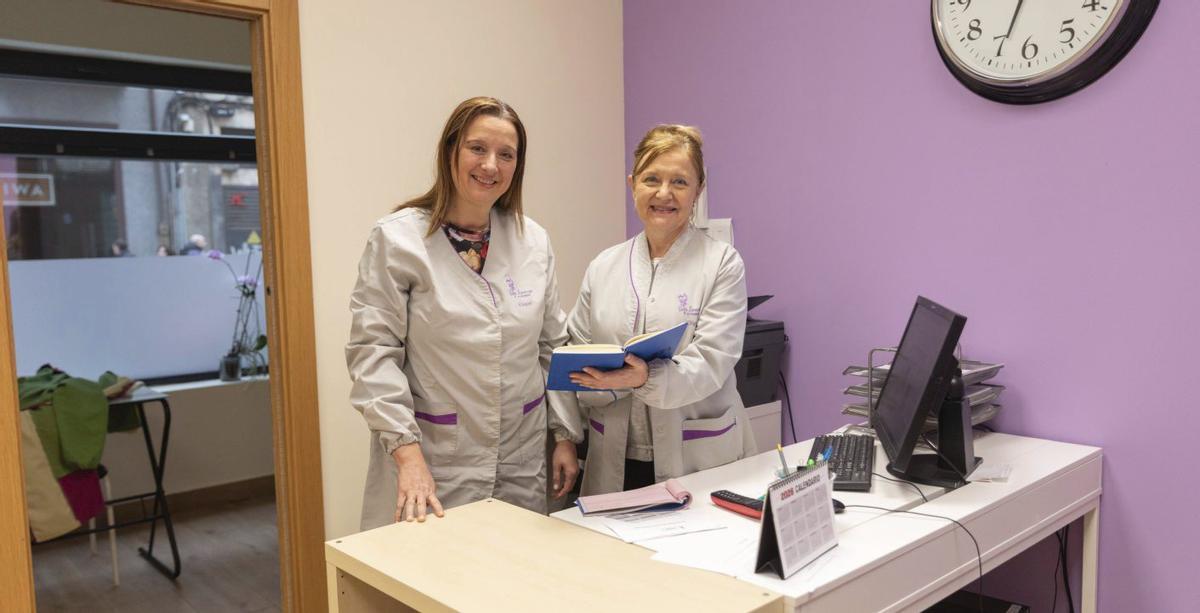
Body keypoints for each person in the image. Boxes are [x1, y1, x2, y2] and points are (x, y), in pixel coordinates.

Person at [346, 96, 581, 529]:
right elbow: (373, 354)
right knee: (436, 568)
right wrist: (407, 454)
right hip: (434, 458)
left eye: (506, 154)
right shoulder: (398, 240)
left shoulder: (533, 241)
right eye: (477, 148)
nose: (491, 165)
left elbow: (552, 347)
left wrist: (565, 435)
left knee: (516, 565)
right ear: (450, 150)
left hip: (521, 455)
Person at [566, 124, 756, 494]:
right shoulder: (604, 266)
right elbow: (577, 346)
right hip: (615, 455)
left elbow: (713, 360)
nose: (664, 193)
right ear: (632, 184)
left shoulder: (722, 263)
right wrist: (569, 429)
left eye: (680, 182)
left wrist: (644, 378)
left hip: (695, 455)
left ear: (698, 190)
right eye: (651, 179)